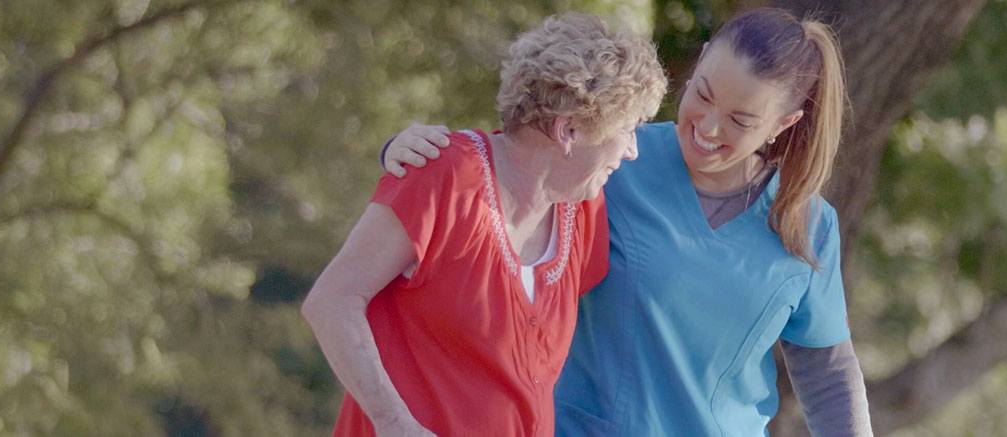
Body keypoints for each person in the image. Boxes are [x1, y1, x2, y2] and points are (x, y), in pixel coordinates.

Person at [381, 8, 871, 436]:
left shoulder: (807, 225)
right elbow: (501, 173)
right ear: (698, 61)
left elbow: (827, 372)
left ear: (784, 124)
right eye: (702, 94)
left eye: (741, 121)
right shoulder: (614, 158)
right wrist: (405, 151)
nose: (708, 127)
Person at [301, 13, 666, 437]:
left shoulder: (581, 209)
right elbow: (331, 302)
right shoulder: (445, 176)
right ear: (568, 130)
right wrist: (392, 421)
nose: (633, 151)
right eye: (627, 130)